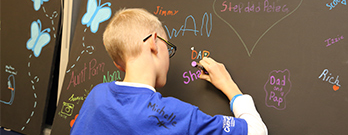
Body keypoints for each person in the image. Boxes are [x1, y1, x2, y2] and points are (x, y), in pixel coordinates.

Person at [70, 8, 268, 135]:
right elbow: (257, 132)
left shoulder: (96, 97)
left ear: (119, 65)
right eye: (168, 47)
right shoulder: (176, 115)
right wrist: (231, 88)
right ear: (154, 43)